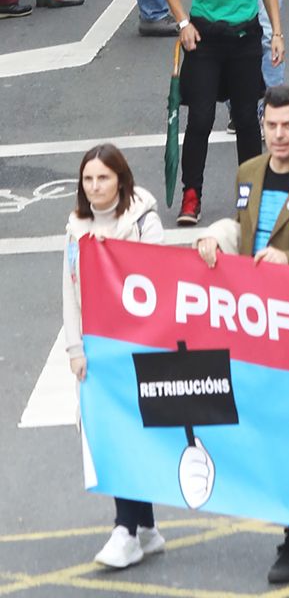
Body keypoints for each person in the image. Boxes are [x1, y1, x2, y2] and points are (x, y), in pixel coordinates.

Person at [195, 84, 289, 586]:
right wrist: (215, 238)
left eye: (288, 126)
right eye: (271, 126)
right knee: (276, 435)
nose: (278, 135)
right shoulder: (248, 172)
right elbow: (244, 229)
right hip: (255, 328)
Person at [64, 143, 167, 571]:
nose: (94, 187)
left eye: (103, 178)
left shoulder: (144, 221)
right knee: (110, 435)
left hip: (135, 348)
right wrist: (75, 348)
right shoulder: (74, 226)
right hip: (96, 350)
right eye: (88, 179)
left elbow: (161, 283)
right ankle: (144, 527)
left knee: (126, 437)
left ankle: (124, 530)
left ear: (121, 180)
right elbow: (69, 291)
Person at [162, 0, 283, 226]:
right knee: (200, 118)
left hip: (245, 39)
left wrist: (277, 33)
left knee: (247, 119)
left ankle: (250, 194)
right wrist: (183, 23)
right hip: (205, 40)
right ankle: (191, 193)